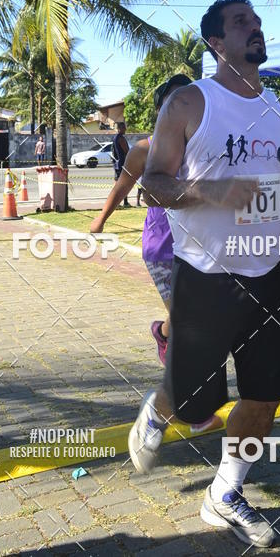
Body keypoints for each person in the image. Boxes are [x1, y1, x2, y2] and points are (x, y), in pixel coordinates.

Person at [129, 0, 280, 549]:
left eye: (257, 21)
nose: (256, 28)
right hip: (205, 275)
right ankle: (160, 406)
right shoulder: (190, 102)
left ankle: (224, 494)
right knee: (196, 400)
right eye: (242, 22)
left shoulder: (276, 107)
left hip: (268, 273)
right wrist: (209, 190)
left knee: (266, 396)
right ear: (216, 44)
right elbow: (154, 183)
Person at [90, 75, 192, 363]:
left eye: (188, 100)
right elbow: (123, 185)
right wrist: (100, 220)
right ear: (160, 110)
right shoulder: (144, 149)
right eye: (174, 101)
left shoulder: (201, 145)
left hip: (199, 242)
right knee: (184, 315)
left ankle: (165, 334)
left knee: (193, 313)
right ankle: (170, 351)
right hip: (162, 246)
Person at [111, 121, 131, 207]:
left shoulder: (115, 138)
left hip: (116, 164)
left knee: (117, 184)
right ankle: (123, 202)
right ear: (119, 129)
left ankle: (117, 202)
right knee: (123, 184)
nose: (125, 129)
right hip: (122, 164)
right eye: (123, 127)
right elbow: (127, 151)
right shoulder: (121, 138)